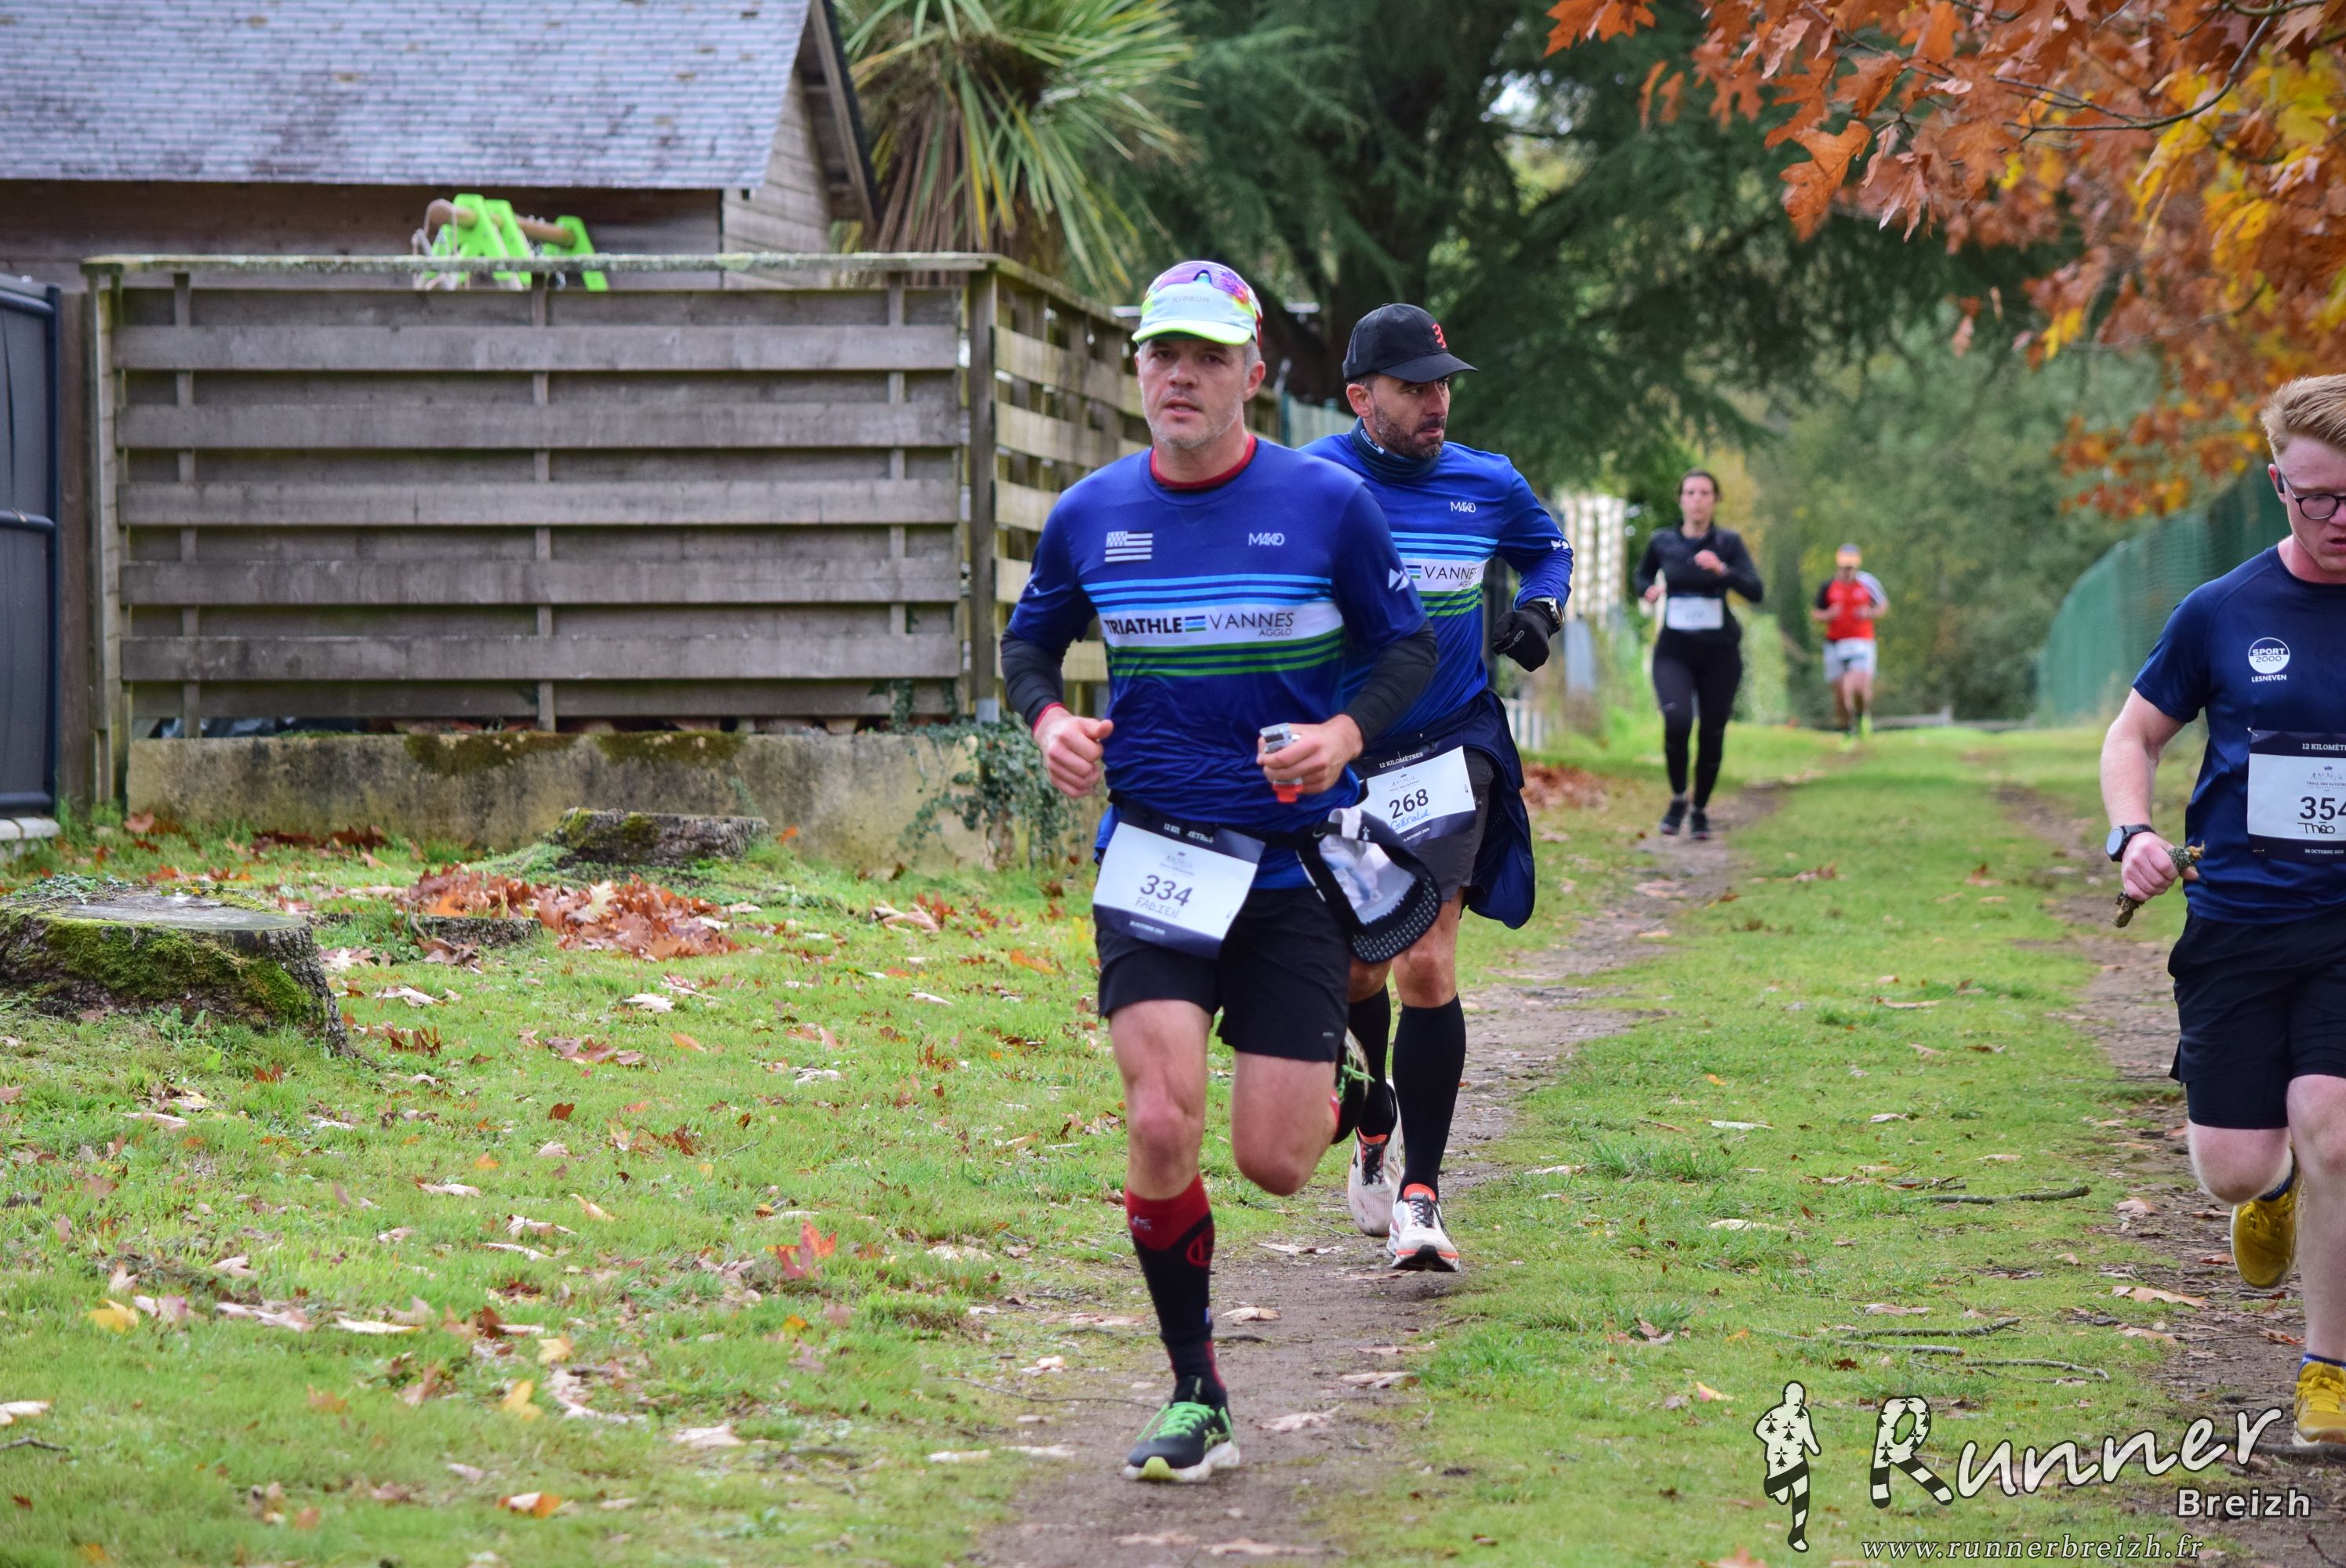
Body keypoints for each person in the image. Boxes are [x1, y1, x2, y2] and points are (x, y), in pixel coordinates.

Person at [1000, 260, 1436, 1483]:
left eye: (1206, 357)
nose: (1180, 377)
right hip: (1154, 853)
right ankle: (1197, 1391)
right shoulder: (1090, 513)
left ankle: (1350, 1093)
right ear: (1138, 369)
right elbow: (1029, 645)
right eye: (1162, 355)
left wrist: (1345, 734)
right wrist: (1049, 721)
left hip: (1292, 869)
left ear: (1254, 373)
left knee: (1274, 1164)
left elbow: (1405, 648)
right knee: (1158, 1121)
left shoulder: (1327, 504)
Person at [2100, 372, 2346, 1453]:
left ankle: (2328, 1372)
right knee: (2235, 1168)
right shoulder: (2222, 611)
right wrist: (2133, 833)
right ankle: (2273, 1187)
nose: (2340, 518)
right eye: (2317, 496)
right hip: (2240, 920)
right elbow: (2133, 736)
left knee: (2335, 1125)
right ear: (2277, 485)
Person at [1302, 303, 1571, 1270]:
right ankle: (1373, 1114)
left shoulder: (1485, 481)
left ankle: (1421, 1196)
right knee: (1356, 971)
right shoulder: (1311, 482)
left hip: (1452, 743)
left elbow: (1547, 549)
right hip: (1348, 754)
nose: (1435, 402)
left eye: (1442, 384)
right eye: (1412, 387)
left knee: (1425, 961)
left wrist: (1540, 608)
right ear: (1359, 397)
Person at [1632, 471, 1765, 840]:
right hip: (1674, 651)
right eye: (1690, 492)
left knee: (1712, 731)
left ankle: (1701, 810)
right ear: (1681, 499)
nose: (1697, 500)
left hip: (1720, 654)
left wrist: (1723, 570)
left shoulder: (1728, 542)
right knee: (1677, 722)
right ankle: (1679, 798)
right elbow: (1641, 576)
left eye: (1705, 493)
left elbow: (1756, 591)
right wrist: (1647, 591)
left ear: (1715, 500)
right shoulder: (1663, 541)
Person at [1811, 543, 1887, 740]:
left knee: (1860, 688)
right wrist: (1829, 615)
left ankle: (1862, 716)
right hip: (1835, 644)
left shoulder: (1868, 583)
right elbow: (1816, 613)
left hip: (1862, 642)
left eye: (1851, 567)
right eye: (1845, 567)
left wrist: (1869, 613)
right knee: (1841, 693)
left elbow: (1883, 606)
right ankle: (1846, 730)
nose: (1848, 571)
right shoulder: (1828, 586)